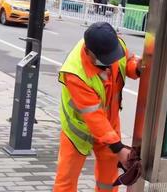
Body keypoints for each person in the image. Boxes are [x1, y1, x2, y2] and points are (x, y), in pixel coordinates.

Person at [53, 22, 142, 191]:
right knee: (66, 181)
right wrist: (118, 149)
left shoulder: (116, 46)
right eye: (104, 59)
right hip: (78, 131)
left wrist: (138, 68)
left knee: (108, 181)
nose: (110, 63)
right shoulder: (75, 73)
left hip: (110, 126)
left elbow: (128, 61)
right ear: (88, 52)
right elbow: (94, 117)